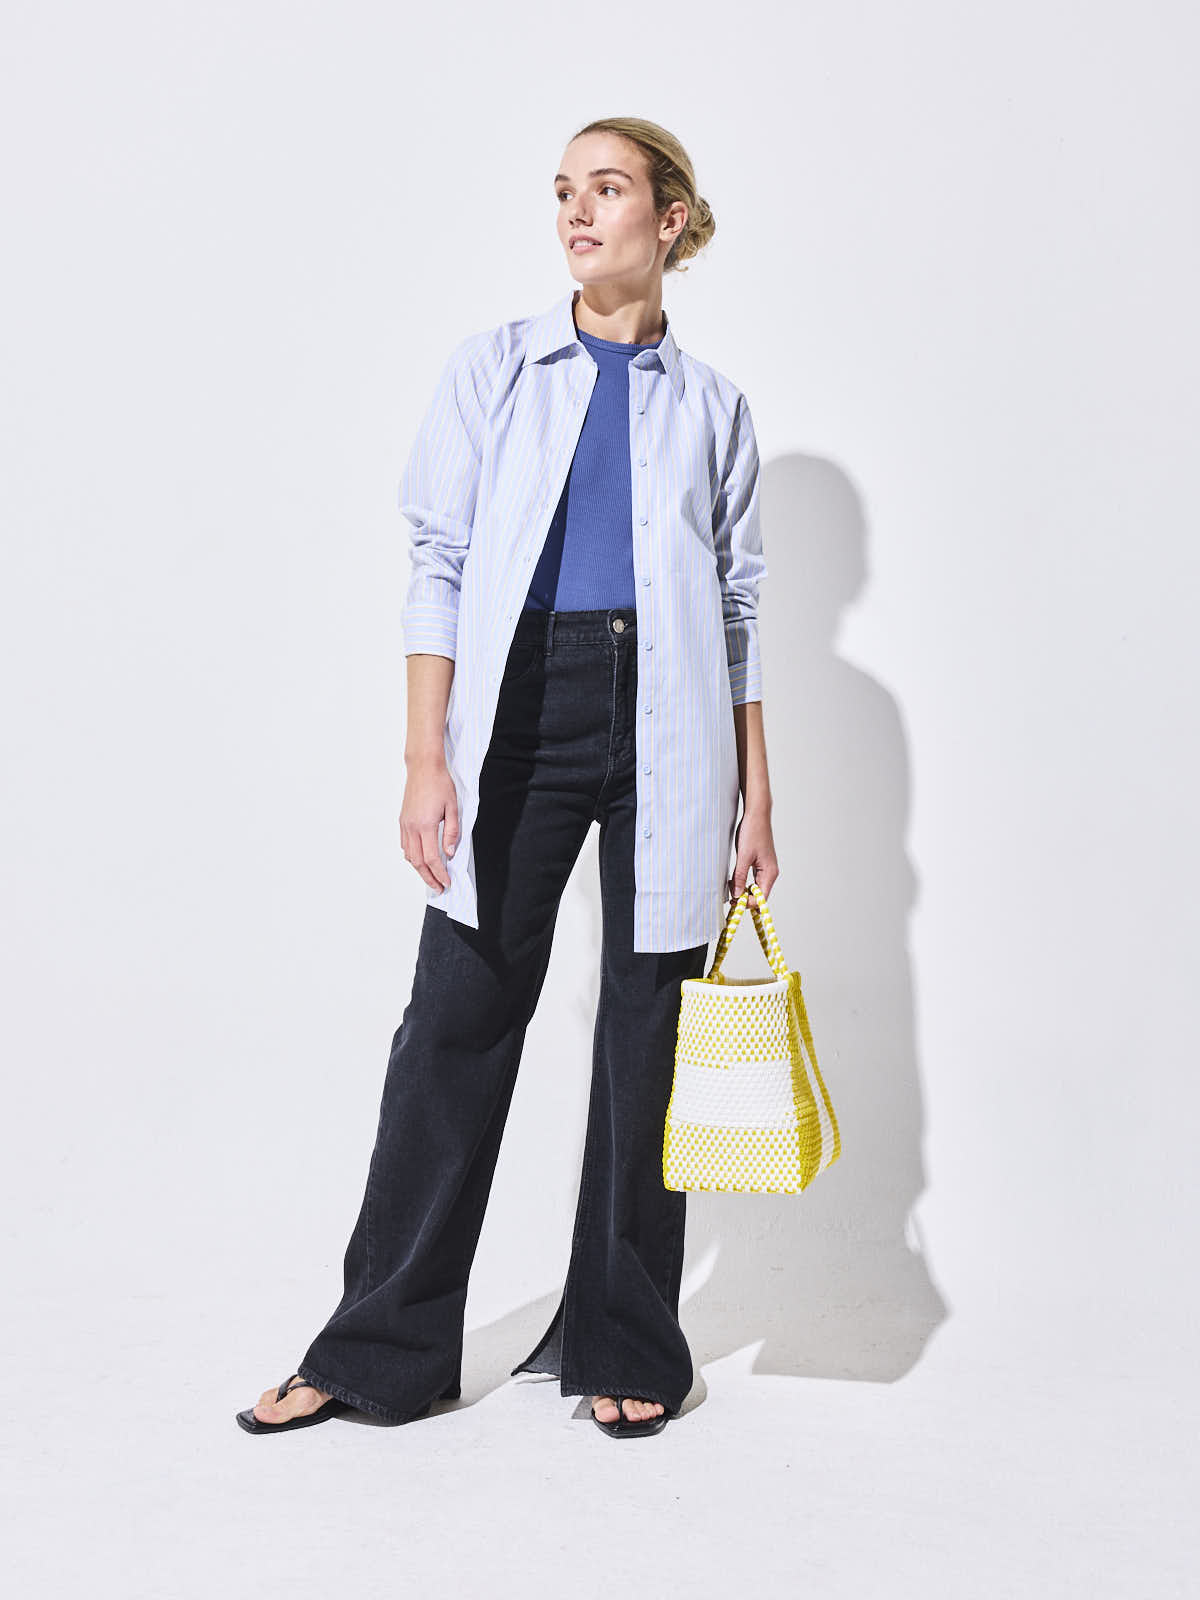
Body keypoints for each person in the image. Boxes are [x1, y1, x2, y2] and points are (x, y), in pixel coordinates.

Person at [236, 115, 779, 1442]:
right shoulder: (495, 368)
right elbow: (439, 558)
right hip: (520, 710)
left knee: (650, 1031)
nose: (578, 212)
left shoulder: (713, 407)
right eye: (564, 191)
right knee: (457, 1017)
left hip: (673, 721)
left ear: (669, 220)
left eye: (609, 188)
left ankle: (627, 1342)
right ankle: (381, 1351)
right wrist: (426, 755)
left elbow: (737, 606)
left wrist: (758, 791)